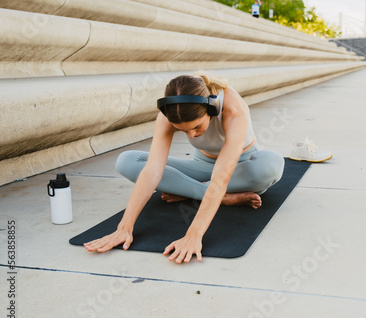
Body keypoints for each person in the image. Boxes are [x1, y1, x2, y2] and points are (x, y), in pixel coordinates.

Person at [84, 73, 285, 264]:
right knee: (127, 161)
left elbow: (221, 178)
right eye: (183, 131)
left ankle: (191, 191)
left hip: (240, 168)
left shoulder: (232, 109)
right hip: (200, 166)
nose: (192, 135)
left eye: (197, 127)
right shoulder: (170, 112)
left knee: (270, 166)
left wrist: (193, 235)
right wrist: (124, 228)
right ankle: (219, 197)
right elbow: (153, 169)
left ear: (212, 109)